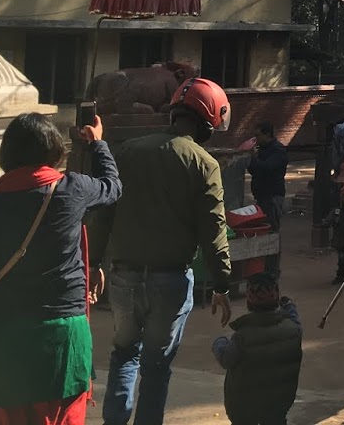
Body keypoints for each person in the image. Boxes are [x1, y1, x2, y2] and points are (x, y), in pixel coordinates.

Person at [0, 111, 120, 425]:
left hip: (4, 343)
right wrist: (98, 143)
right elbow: (112, 185)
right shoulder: (73, 190)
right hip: (64, 344)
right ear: (54, 151)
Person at [90, 76, 234, 425]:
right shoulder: (204, 164)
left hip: (123, 277)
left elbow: (103, 212)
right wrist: (222, 283)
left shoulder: (129, 151)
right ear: (207, 124)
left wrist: (94, 263)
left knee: (124, 354)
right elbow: (213, 230)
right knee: (156, 367)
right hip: (170, 282)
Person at [210, 271, 302, 425]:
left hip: (245, 407)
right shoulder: (293, 329)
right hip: (279, 404)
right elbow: (294, 317)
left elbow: (226, 359)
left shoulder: (242, 336)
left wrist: (219, 342)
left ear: (249, 301)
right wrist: (289, 306)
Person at [247, 122, 288, 232]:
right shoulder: (261, 149)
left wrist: (254, 158)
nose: (256, 139)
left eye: (258, 135)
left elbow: (268, 168)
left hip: (272, 194)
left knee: (271, 227)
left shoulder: (278, 150)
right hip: (261, 194)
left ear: (267, 134)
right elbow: (254, 170)